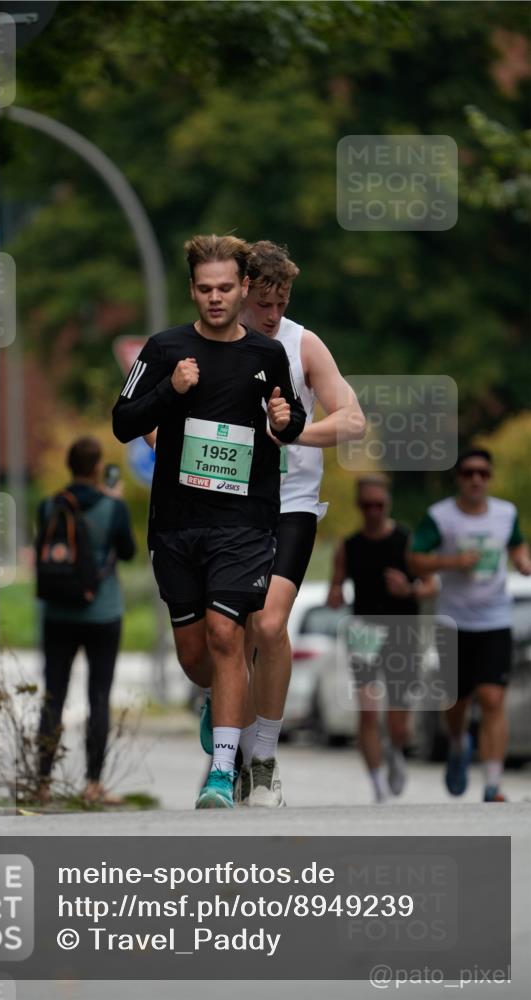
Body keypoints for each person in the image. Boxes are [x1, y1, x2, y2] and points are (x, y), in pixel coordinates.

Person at [112, 234, 306, 808]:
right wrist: (170, 392)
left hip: (244, 521)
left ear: (244, 288)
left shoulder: (267, 355)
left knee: (228, 636)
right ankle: (214, 701)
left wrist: (285, 416)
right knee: (197, 656)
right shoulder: (164, 349)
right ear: (192, 289)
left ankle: (224, 772)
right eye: (205, 289)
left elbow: (288, 426)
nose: (215, 299)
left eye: (226, 288)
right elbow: (124, 422)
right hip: (176, 523)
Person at [225, 240, 365, 807]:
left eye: (281, 303)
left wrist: (294, 433)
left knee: (267, 626)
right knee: (223, 638)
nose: (272, 315)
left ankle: (263, 757)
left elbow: (352, 420)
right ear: (238, 293)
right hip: (229, 505)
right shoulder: (212, 343)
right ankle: (229, 739)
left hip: (291, 504)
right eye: (263, 303)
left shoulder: (302, 343)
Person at [408, 448, 531, 802]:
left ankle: (493, 783)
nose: (476, 479)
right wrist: (453, 561)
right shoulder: (441, 516)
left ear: (489, 477)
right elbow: (416, 560)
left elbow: (518, 546)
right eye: (469, 473)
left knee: (493, 699)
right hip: (454, 622)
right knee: (456, 703)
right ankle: (459, 743)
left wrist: (522, 562)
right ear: (459, 477)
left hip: (495, 619)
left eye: (483, 473)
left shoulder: (506, 513)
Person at [36, 436, 136, 805]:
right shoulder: (113, 509)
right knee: (98, 697)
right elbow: (126, 552)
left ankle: (42, 782)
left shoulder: (50, 506)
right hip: (103, 612)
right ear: (97, 468)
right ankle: (93, 783)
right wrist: (117, 503)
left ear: (68, 464)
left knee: (53, 696)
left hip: (58, 612)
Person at [328, 477, 437, 803]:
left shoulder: (406, 541)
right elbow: (335, 589)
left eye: (379, 505)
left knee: (398, 721)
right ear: (359, 507)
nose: (373, 511)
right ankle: (377, 784)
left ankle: (396, 750)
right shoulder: (349, 546)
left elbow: (432, 584)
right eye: (367, 505)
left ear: (387, 504)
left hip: (403, 630)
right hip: (364, 632)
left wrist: (410, 589)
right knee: (368, 711)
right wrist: (335, 595)